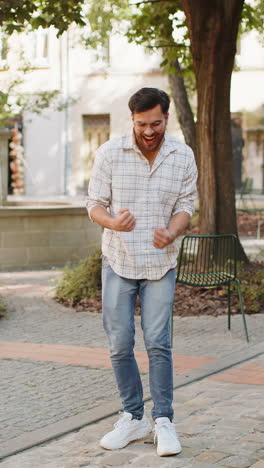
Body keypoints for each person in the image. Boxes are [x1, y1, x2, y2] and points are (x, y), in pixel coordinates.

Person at [86, 87, 197, 457]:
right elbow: (94, 204)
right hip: (118, 260)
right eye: (141, 124)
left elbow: (186, 205)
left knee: (158, 343)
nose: (148, 131)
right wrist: (114, 223)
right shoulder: (110, 153)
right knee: (119, 345)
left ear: (167, 118)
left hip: (159, 264)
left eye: (155, 123)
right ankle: (133, 417)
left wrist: (173, 230)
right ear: (131, 120)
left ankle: (163, 420)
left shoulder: (182, 155)